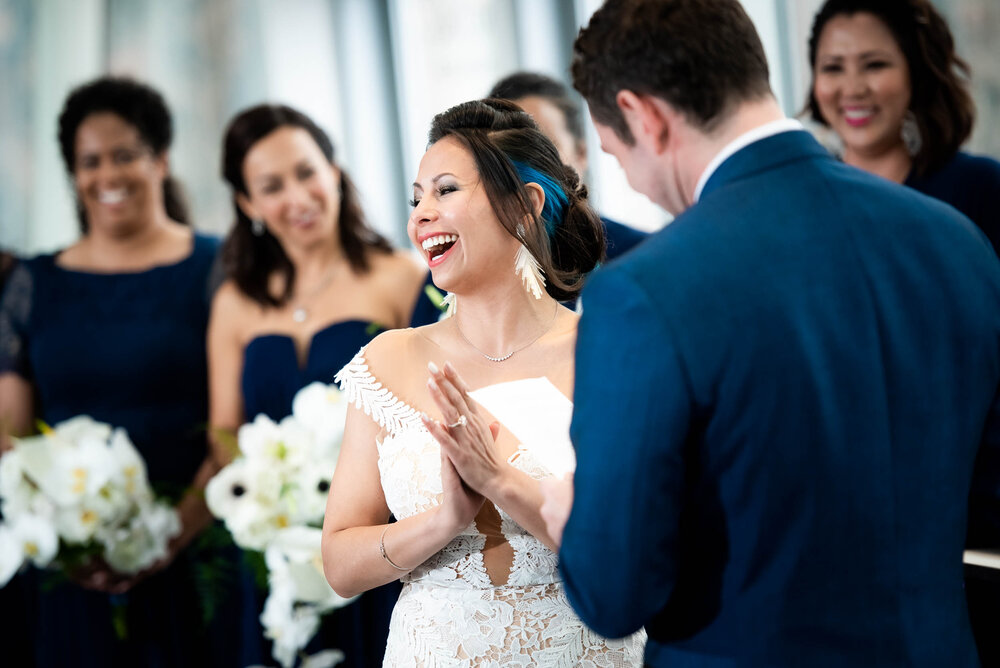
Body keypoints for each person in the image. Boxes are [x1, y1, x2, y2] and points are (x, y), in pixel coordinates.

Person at [539, 1, 1000, 666]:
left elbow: (615, 593)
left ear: (645, 117)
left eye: (615, 153)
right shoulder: (959, 241)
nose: (633, 185)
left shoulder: (643, 292)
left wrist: (571, 519)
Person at [321, 98, 645, 666]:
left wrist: (499, 482)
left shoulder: (608, 354)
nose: (421, 214)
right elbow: (341, 566)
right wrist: (443, 521)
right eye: (416, 197)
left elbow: (633, 557)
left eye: (446, 190)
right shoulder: (388, 360)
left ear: (524, 206)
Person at [0, 76, 236, 667]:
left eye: (125, 154)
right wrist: (67, 540)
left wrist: (165, 537)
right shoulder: (32, 284)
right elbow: (11, 435)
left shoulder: (216, 267)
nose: (108, 175)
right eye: (89, 161)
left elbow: (231, 430)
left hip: (195, 558)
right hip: (67, 573)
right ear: (74, 175)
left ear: (160, 159)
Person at [210, 103, 438, 667]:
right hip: (277, 544)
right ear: (248, 204)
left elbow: (431, 409)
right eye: (271, 185)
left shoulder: (399, 277)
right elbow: (223, 431)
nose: (297, 197)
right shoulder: (235, 302)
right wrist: (274, 501)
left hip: (378, 537)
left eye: (307, 172)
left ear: (335, 172)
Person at [806, 0, 1000, 254]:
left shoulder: (980, 188)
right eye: (833, 68)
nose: (853, 89)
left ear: (915, 73)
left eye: (874, 64)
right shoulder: (805, 200)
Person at [489, 71, 648, 261]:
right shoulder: (460, 273)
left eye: (544, 147)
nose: (524, 167)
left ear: (581, 153)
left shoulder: (644, 257)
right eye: (505, 155)